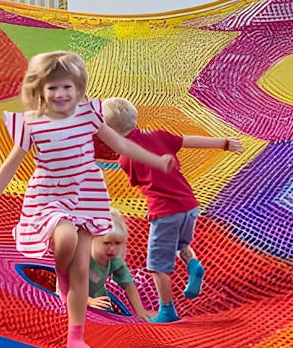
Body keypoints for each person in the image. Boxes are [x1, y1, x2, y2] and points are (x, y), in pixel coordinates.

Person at [0, 51, 175, 348]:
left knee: (82, 268)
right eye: (52, 87)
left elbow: (121, 144)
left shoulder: (89, 115)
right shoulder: (31, 124)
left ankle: (75, 339)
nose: (60, 94)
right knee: (66, 240)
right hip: (49, 195)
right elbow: (10, 165)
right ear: (39, 89)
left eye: (67, 87)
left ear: (78, 88)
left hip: (85, 194)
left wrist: (155, 161)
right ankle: (60, 277)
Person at [101, 97, 244, 323]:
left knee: (157, 266)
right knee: (180, 245)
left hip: (165, 212)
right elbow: (190, 140)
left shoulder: (125, 158)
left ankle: (167, 311)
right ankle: (193, 264)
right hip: (190, 205)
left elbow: (138, 182)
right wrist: (224, 142)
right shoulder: (158, 135)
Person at [87, 208, 153, 322]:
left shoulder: (114, 261)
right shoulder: (82, 258)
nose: (112, 249)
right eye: (107, 243)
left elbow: (129, 286)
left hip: (98, 299)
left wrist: (140, 312)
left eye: (117, 243)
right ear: (94, 239)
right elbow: (68, 287)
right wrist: (89, 301)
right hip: (73, 301)